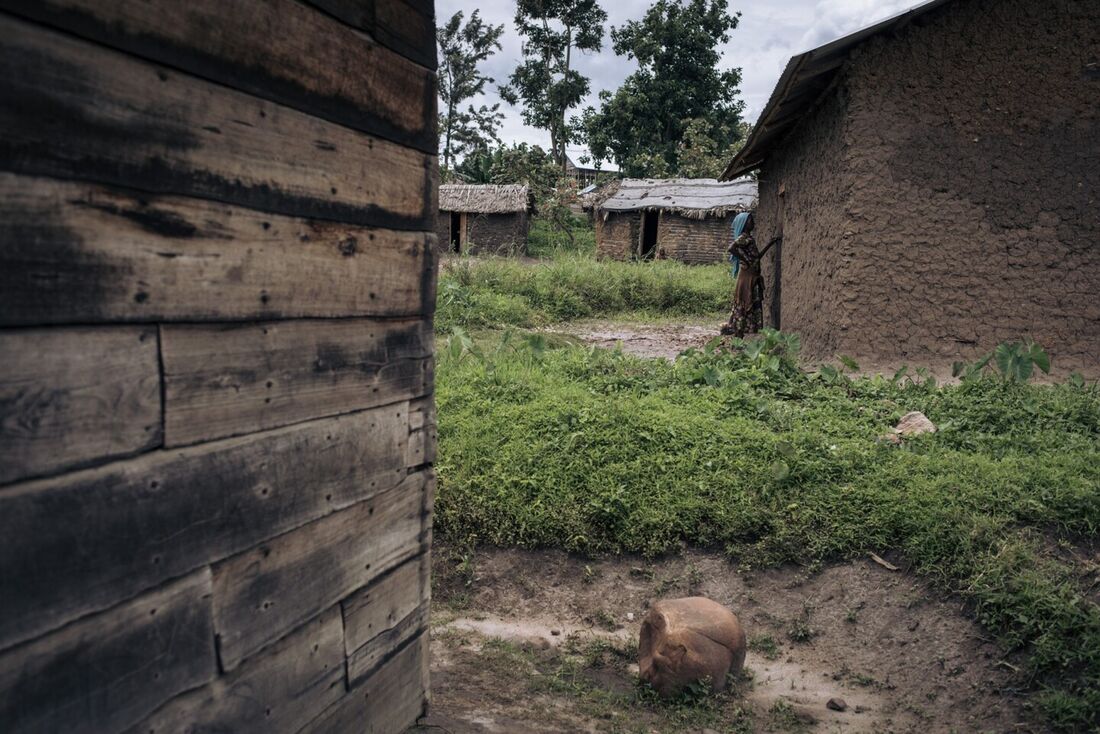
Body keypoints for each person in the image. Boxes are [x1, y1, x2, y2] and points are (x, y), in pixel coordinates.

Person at [721, 212, 779, 337]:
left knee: (749, 304)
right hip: (747, 278)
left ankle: (738, 335)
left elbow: (757, 257)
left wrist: (770, 244)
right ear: (744, 223)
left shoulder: (749, 239)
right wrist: (746, 259)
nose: (753, 223)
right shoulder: (743, 237)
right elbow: (731, 248)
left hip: (753, 277)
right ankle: (737, 335)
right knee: (745, 304)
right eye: (750, 221)